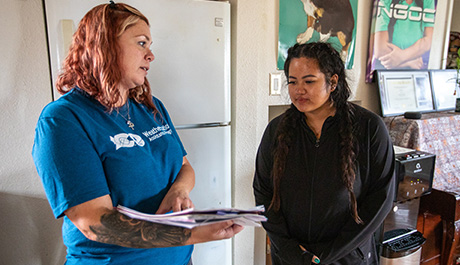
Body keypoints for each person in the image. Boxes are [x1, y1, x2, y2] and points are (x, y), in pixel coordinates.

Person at [32, 2, 242, 264]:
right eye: (142, 43)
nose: (151, 55)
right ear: (105, 45)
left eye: (150, 45)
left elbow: (184, 167)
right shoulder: (64, 119)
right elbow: (96, 223)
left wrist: (178, 191)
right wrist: (190, 234)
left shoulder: (150, 108)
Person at [253, 42, 396, 264]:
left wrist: (326, 256)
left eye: (309, 81)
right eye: (292, 82)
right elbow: (263, 192)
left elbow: (381, 200)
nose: (299, 90)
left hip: (347, 257)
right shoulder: (277, 130)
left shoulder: (369, 128)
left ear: (333, 81)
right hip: (292, 258)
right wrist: (290, 251)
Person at [366, 0, 435, 81]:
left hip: (414, 76)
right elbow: (380, 50)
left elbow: (429, 40)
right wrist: (409, 62)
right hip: (386, 74)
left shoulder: (428, 1)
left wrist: (402, 56)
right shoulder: (386, 1)